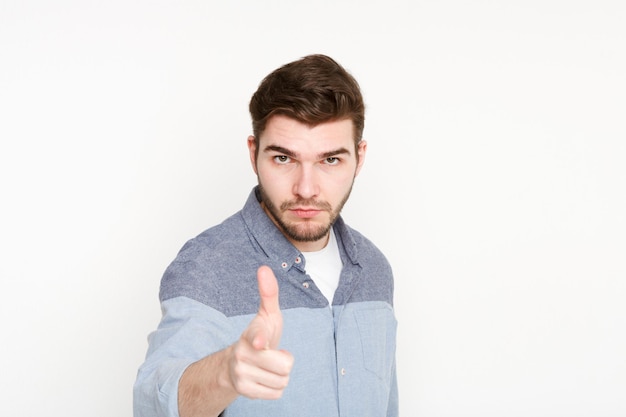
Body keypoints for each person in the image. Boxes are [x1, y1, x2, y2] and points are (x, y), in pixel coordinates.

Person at [133, 54, 398, 417]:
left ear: (359, 157)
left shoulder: (374, 269)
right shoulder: (206, 267)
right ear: (254, 153)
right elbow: (153, 402)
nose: (306, 189)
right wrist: (225, 373)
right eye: (284, 159)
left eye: (330, 160)